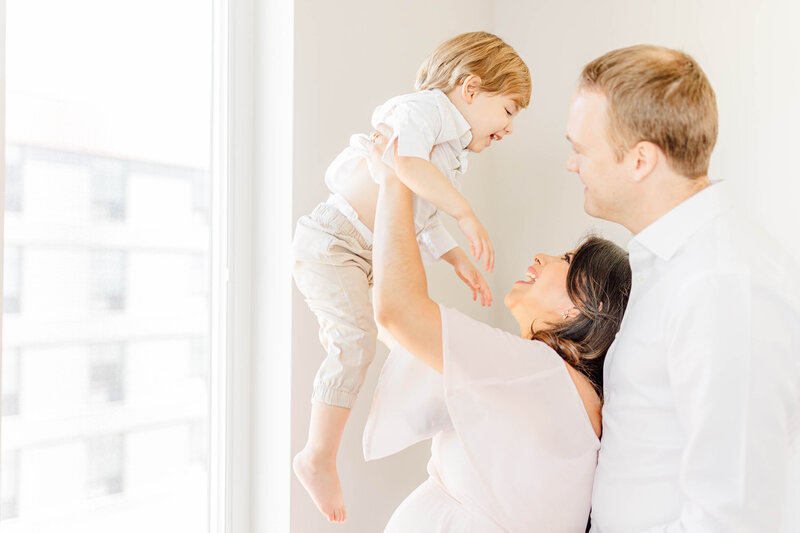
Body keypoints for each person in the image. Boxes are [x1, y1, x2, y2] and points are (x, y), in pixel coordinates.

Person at [291, 31, 532, 522]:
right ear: (470, 88)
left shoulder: (444, 147)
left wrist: (455, 258)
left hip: (364, 251)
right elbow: (403, 165)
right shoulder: (421, 111)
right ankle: (317, 456)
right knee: (354, 343)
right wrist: (465, 213)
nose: (509, 128)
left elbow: (418, 213)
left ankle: (438, 422)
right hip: (335, 243)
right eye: (508, 110)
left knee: (411, 346)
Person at [564, 44, 800, 531]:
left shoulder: (722, 281)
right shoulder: (669, 267)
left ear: (640, 161)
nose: (572, 165)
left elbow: (733, 511)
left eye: (581, 149)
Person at [363, 124, 632, 532]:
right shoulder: (566, 401)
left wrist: (393, 181)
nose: (542, 257)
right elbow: (405, 335)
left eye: (567, 258)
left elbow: (400, 314)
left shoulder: (540, 373)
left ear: (586, 308)